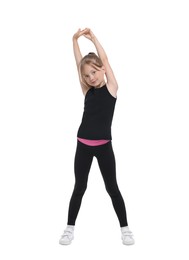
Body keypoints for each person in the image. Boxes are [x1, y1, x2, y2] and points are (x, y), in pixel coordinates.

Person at [59, 28, 134, 246]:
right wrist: (74, 41)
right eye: (86, 75)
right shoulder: (87, 91)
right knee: (79, 187)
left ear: (101, 69)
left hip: (103, 147)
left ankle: (125, 229)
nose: (90, 78)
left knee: (112, 187)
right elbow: (77, 65)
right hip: (82, 145)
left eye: (93, 72)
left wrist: (93, 39)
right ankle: (69, 229)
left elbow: (106, 59)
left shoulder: (112, 88)